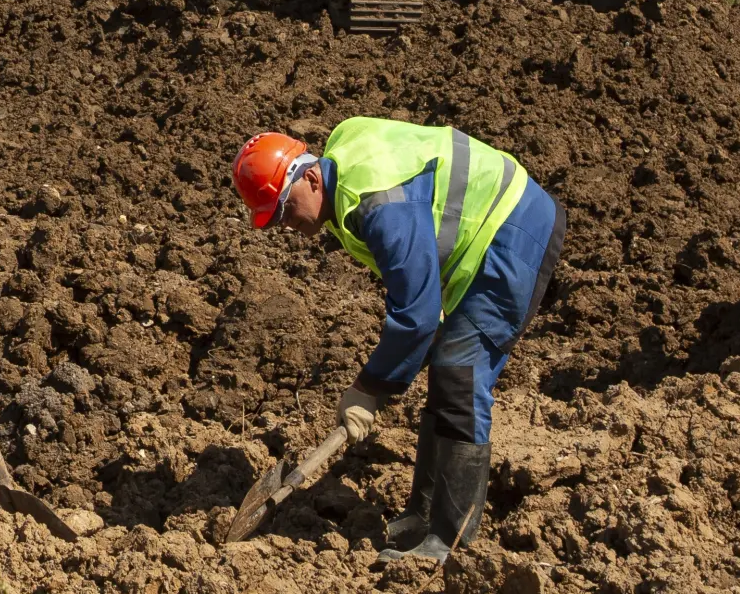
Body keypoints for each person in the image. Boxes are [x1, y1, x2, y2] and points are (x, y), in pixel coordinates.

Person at [231, 118, 565, 561]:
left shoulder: (377, 202)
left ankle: (449, 540)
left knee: (459, 373)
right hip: (482, 240)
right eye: (274, 220)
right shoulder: (343, 182)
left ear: (311, 177)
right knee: (446, 365)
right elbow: (416, 298)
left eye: (286, 210)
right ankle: (423, 516)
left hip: (513, 230)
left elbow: (417, 314)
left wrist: (369, 388)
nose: (286, 225)